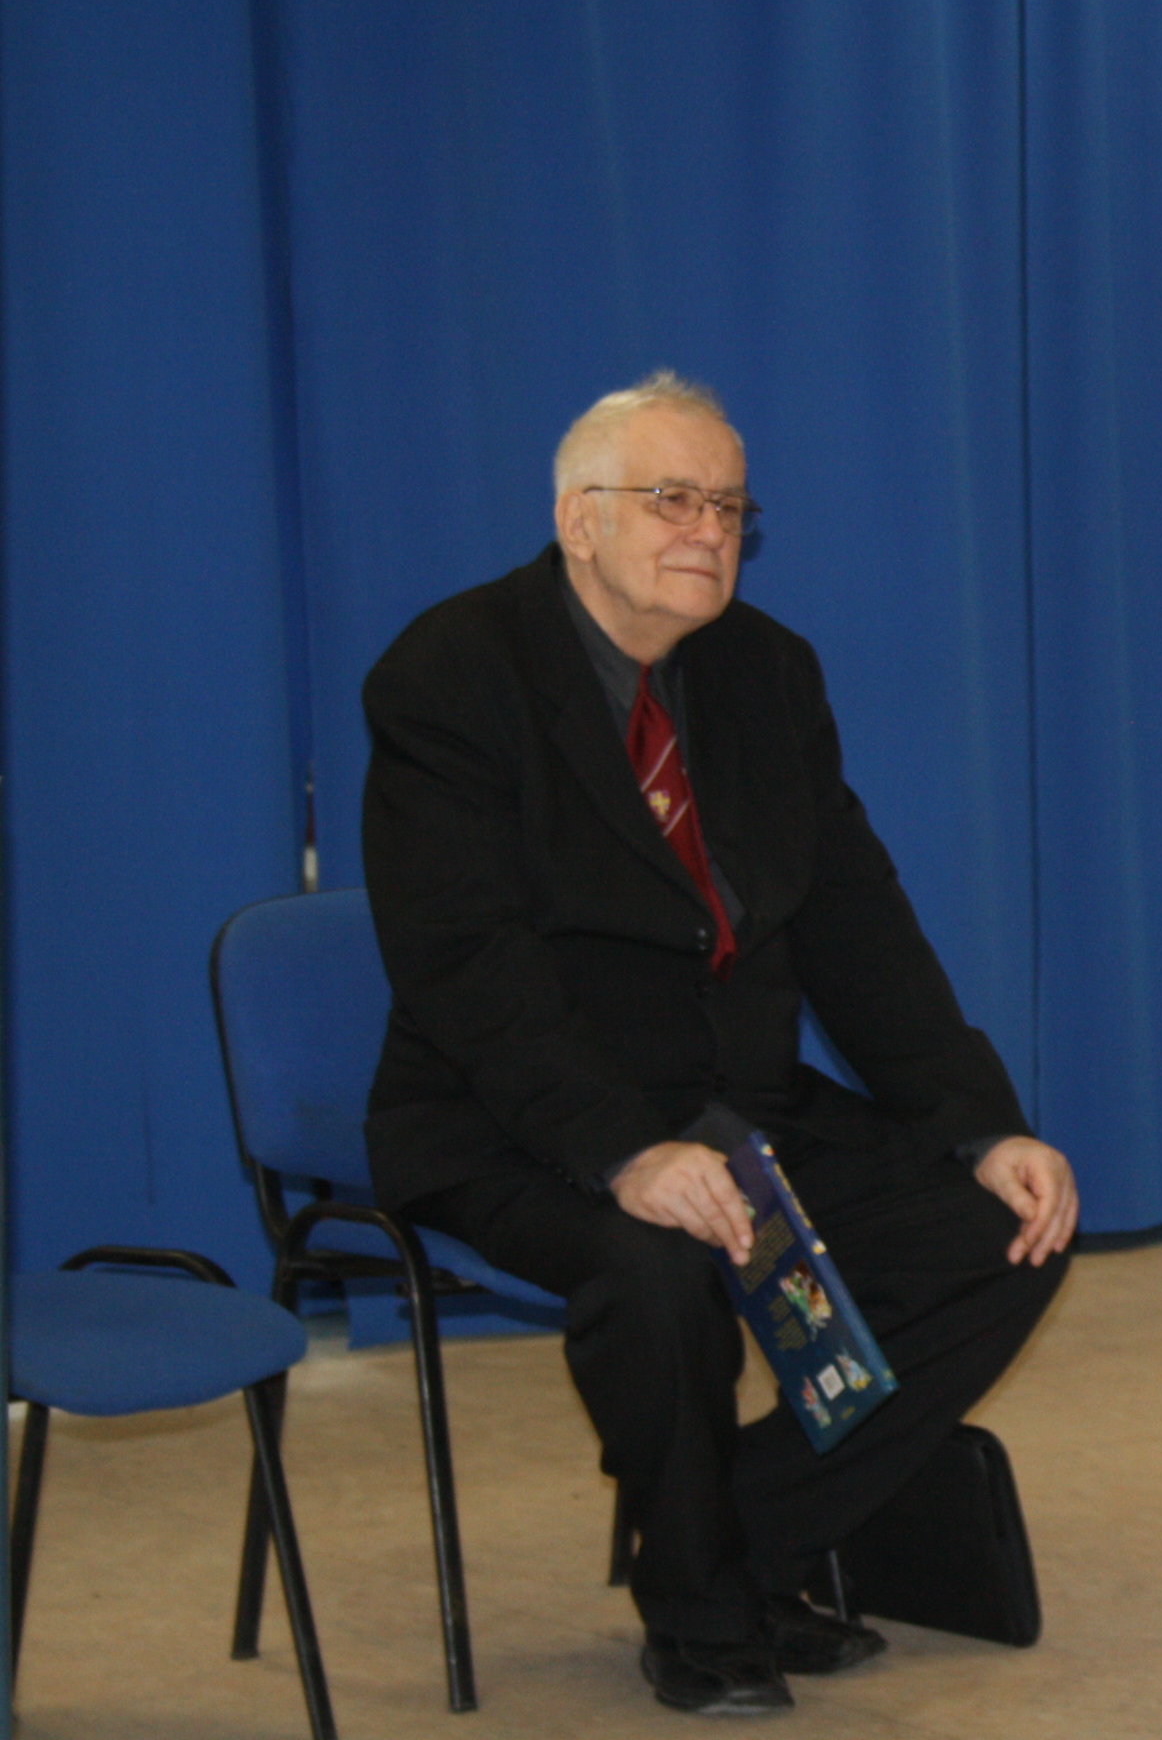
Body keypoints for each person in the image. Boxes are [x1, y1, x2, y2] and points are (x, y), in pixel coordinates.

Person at [362, 372, 1077, 1716]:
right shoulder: (450, 673)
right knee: (658, 1271)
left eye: (732, 508)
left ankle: (730, 1541)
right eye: (672, 500)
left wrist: (981, 1125)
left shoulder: (767, 670)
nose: (710, 531)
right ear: (579, 520)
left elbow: (857, 922)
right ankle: (702, 1617)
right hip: (510, 1117)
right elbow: (467, 967)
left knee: (1002, 1235)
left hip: (734, 1098)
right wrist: (624, 1154)